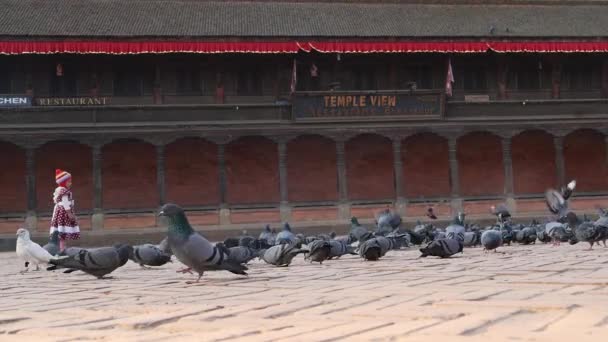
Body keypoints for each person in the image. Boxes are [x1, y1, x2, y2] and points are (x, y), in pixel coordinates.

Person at [50, 169, 80, 252]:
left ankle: (62, 247)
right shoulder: (64, 191)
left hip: (59, 211)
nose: (70, 183)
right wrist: (69, 213)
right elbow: (65, 203)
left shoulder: (59, 190)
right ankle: (62, 249)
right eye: (69, 181)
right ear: (63, 182)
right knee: (63, 230)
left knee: (62, 230)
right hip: (64, 213)